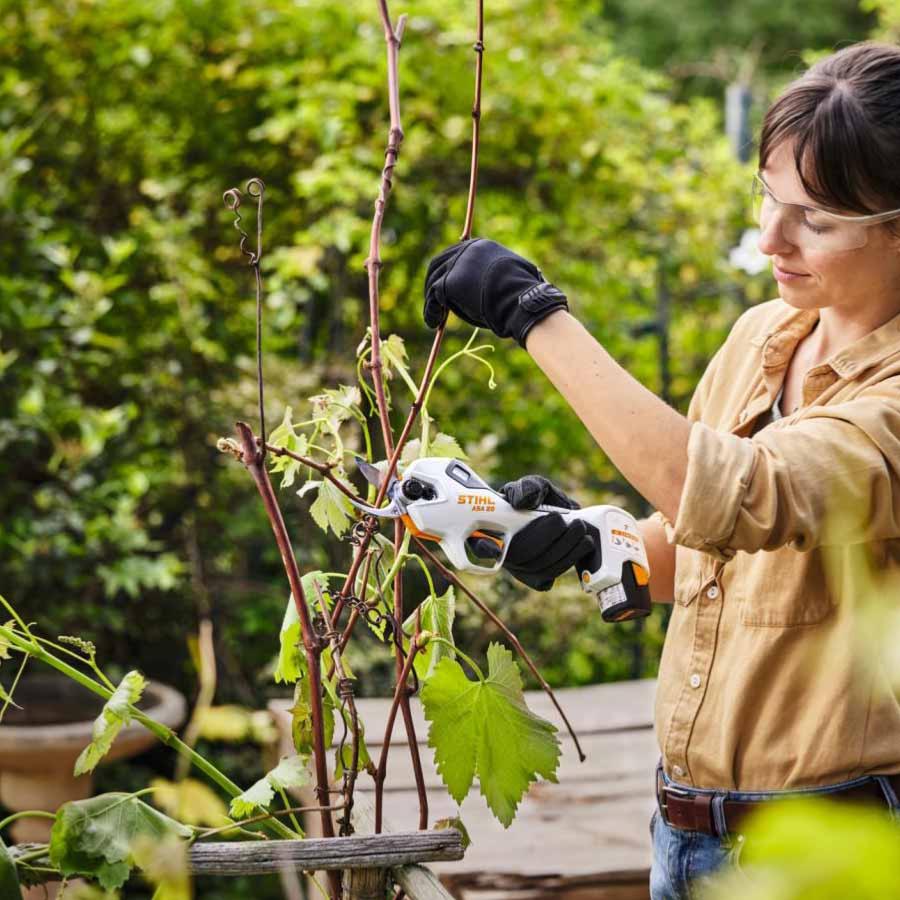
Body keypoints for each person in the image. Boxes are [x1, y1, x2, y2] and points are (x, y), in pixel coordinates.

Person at [421, 41, 900, 900]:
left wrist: (535, 316)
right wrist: (590, 540)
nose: (770, 238)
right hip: (685, 835)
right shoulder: (763, 335)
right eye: (768, 196)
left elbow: (743, 493)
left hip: (830, 853)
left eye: (816, 220)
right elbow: (718, 547)